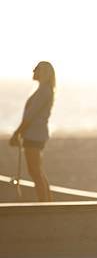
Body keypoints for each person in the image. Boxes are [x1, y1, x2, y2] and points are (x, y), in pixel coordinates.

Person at [9, 61, 55, 202]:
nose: (33, 71)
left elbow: (29, 117)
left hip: (34, 136)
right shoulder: (43, 90)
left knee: (35, 171)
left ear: (43, 72)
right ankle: (47, 202)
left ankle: (44, 203)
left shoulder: (43, 91)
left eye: (36, 69)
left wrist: (17, 133)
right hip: (36, 135)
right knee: (37, 171)